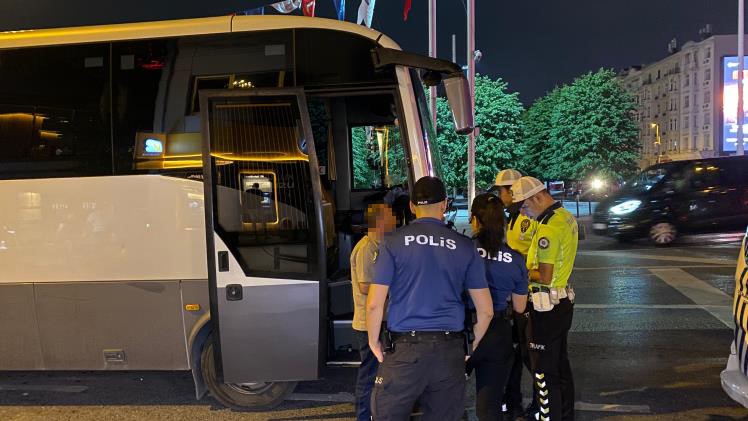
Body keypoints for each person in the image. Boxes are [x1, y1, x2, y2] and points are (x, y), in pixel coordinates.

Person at [366, 176, 494, 421]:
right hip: (449, 351)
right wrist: (469, 346)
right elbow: (486, 310)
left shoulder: (392, 242)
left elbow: (374, 303)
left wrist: (374, 341)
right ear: (444, 204)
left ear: (412, 207)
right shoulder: (465, 246)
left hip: (404, 351)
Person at [511, 176, 578, 421]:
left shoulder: (548, 226)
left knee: (542, 372)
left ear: (538, 197)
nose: (522, 211)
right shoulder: (564, 217)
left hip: (545, 308)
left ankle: (548, 417)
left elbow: (546, 275)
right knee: (560, 368)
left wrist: (521, 272)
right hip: (561, 304)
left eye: (525, 205)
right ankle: (565, 415)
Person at [466, 193, 528, 421]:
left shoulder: (463, 250)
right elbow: (520, 307)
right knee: (489, 407)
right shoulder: (515, 259)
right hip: (498, 335)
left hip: (462, 331)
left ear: (474, 220)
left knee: (446, 401)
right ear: (502, 222)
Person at [493, 169, 538, 421]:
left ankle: (538, 403)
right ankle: (514, 402)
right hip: (515, 293)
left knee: (530, 353)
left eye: (501, 191)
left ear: (512, 191)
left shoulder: (527, 217)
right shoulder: (509, 217)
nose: (500, 195)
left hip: (528, 293)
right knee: (515, 353)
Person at [350, 203, 397, 421]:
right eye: (390, 217)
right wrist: (391, 286)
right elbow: (364, 285)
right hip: (368, 322)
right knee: (369, 376)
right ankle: (363, 416)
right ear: (378, 222)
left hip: (379, 319)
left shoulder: (381, 244)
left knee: (380, 374)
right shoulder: (367, 248)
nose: (395, 220)